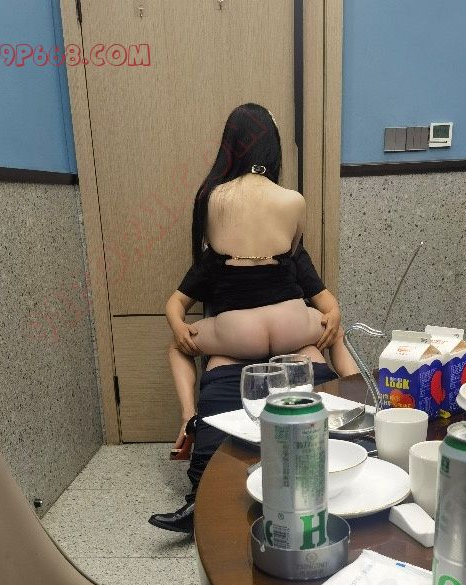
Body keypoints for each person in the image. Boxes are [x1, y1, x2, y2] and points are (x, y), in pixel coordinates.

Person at [148, 103, 357, 534]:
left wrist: (181, 330)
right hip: (293, 329)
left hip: (236, 336)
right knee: (330, 332)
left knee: (180, 348)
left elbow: (175, 304)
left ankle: (188, 425)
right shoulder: (292, 208)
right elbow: (321, 294)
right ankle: (359, 407)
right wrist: (332, 317)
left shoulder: (212, 204)